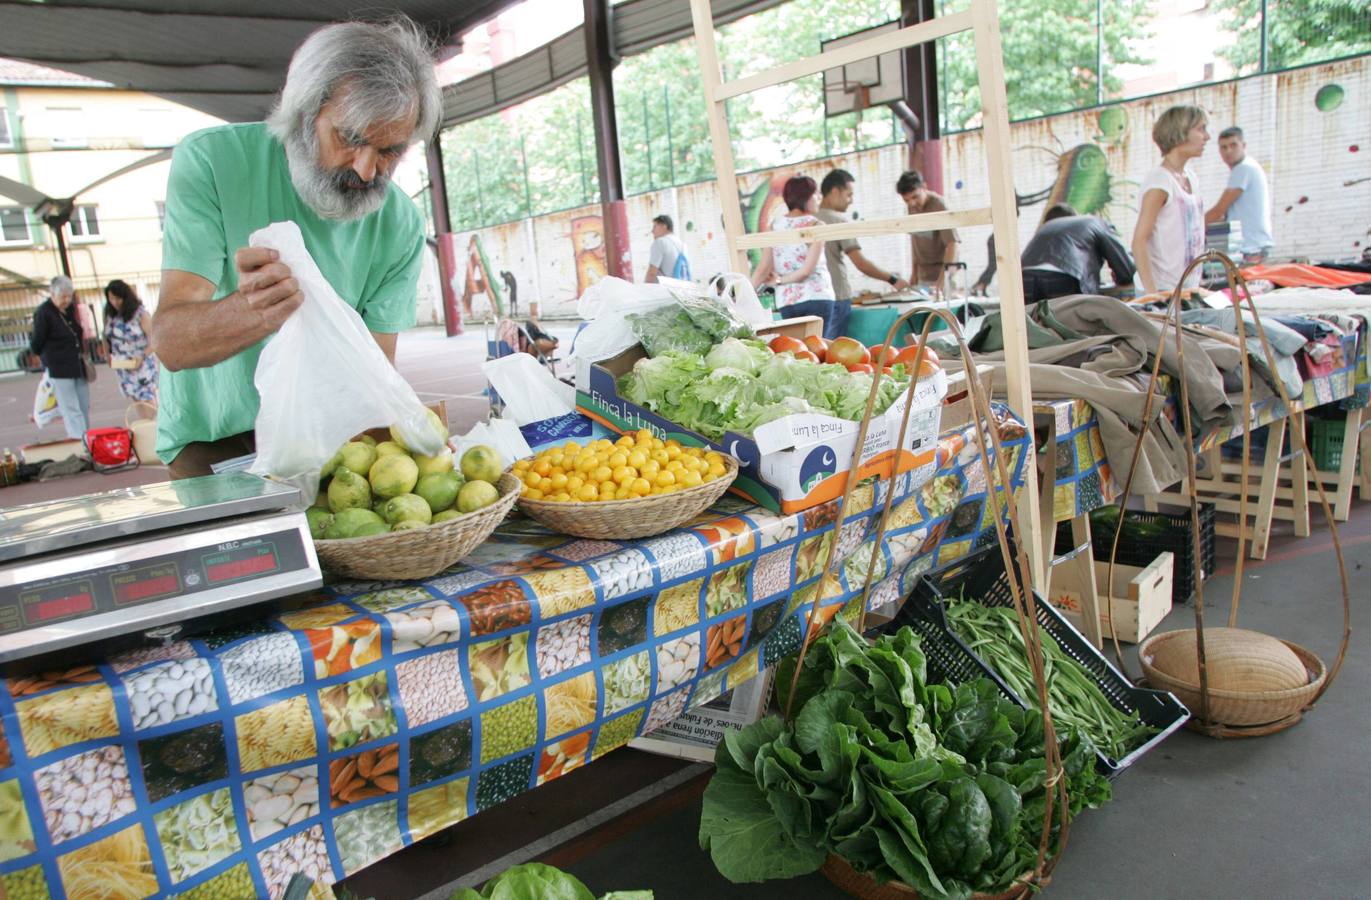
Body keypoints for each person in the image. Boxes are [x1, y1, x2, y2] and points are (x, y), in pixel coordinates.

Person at [150, 18, 440, 479]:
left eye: (391, 151)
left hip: (328, 443)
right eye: (350, 139)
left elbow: (371, 373)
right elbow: (171, 345)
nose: (367, 171)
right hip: (214, 444)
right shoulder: (212, 161)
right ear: (305, 115)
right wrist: (252, 311)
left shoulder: (400, 222)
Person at [816, 168, 909, 339]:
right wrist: (893, 279)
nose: (851, 201)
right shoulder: (838, 221)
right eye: (848, 194)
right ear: (835, 191)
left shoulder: (809, 220)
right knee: (833, 353)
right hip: (836, 296)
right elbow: (861, 263)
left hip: (814, 297)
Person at [1132, 104, 1209, 293]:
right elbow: (1139, 241)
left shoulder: (1191, 177)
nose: (1207, 137)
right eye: (1201, 129)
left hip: (1187, 290)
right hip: (1162, 292)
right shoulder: (1160, 181)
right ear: (1180, 133)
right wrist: (1152, 295)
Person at [750, 175, 836, 332]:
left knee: (796, 352)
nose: (819, 197)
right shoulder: (816, 225)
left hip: (787, 301)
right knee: (819, 351)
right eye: (815, 193)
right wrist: (778, 281)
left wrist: (744, 294)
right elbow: (806, 271)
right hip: (817, 295)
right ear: (805, 197)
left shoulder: (774, 226)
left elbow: (763, 269)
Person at [1020, 203, 1136, 302]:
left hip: (1025, 276)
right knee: (1074, 322)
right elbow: (1125, 268)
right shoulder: (1096, 222)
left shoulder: (1047, 226)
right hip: (1065, 274)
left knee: (1035, 322)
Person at [29, 275, 92, 441]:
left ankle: (86, 437)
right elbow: (37, 342)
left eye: (69, 296)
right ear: (52, 294)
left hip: (76, 364)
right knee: (70, 407)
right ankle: (79, 439)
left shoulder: (70, 310)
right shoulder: (44, 312)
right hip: (59, 367)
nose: (66, 300)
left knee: (83, 405)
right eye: (62, 296)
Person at [1204, 126, 1274, 265]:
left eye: (1233, 145)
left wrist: (1192, 228)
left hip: (1251, 249)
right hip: (1254, 247)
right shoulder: (1249, 167)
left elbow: (1219, 211)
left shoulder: (1243, 169)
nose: (1228, 151)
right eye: (1223, 147)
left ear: (1244, 145)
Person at [896, 170, 959, 295]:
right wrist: (914, 273)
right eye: (906, 200)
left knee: (944, 311)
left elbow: (953, 243)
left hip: (942, 271)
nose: (912, 203)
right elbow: (915, 240)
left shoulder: (939, 205)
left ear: (924, 187)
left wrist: (943, 278)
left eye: (915, 197)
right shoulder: (911, 206)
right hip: (923, 274)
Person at [103, 279, 159, 403]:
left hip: (141, 362)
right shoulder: (110, 315)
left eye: (118, 298)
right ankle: (145, 422)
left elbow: (154, 340)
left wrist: (142, 355)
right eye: (111, 299)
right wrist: (107, 355)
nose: (115, 302)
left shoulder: (140, 314)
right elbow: (106, 336)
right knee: (135, 398)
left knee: (147, 398)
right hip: (122, 363)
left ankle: (153, 422)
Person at [644, 214, 690, 283]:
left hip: (665, 290)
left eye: (654, 227)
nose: (652, 231)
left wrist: (644, 289)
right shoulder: (683, 245)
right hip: (681, 289)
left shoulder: (660, 242)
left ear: (664, 226)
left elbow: (652, 273)